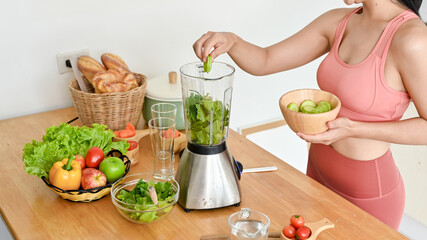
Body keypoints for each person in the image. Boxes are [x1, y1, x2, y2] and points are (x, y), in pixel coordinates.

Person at [192, 0, 426, 230]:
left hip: (366, 192)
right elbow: (265, 60)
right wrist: (233, 41)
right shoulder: (338, 22)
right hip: (317, 173)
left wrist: (354, 129)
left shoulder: (411, 39)